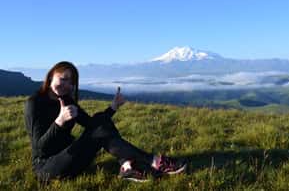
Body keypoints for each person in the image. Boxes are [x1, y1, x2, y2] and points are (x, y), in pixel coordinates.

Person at [24, 61, 186, 182]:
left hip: (72, 159)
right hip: (47, 169)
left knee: (100, 120)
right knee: (100, 127)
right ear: (51, 75)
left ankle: (127, 165)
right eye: (63, 79)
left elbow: (92, 124)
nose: (66, 85)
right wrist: (59, 121)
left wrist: (113, 107)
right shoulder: (34, 103)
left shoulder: (67, 101)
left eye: (71, 82)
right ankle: (153, 161)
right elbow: (40, 148)